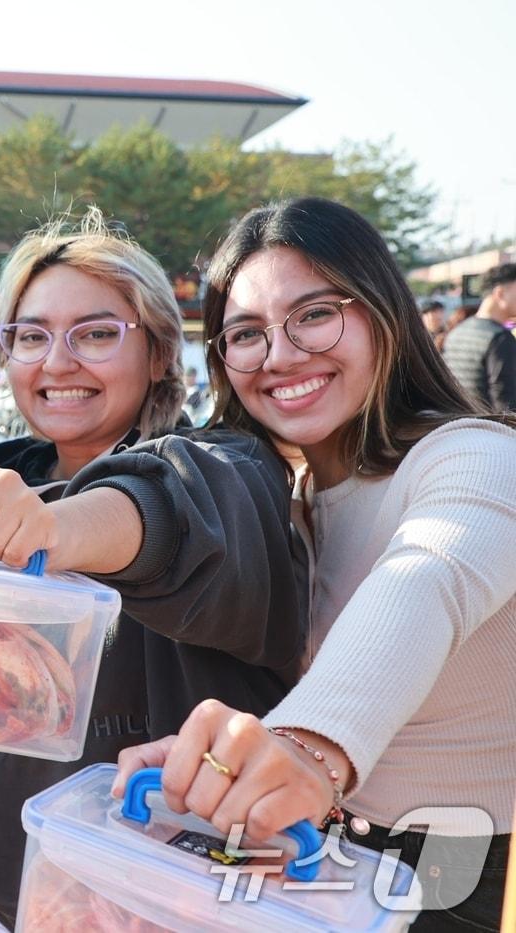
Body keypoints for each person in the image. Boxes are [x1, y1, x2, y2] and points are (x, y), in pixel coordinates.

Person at [0, 213, 306, 931]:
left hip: (168, 903)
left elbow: (169, 510)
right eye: (31, 335)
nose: (57, 362)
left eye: (97, 333)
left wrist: (59, 529)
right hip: (0, 897)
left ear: (163, 352)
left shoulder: (230, 466)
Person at [115, 197, 516, 932]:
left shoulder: (477, 456)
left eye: (315, 314)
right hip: (311, 850)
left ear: (383, 313)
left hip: (446, 873)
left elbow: (426, 578)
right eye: (245, 334)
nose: (280, 354)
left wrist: (305, 745)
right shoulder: (293, 492)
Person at [441, 263, 516, 410]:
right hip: (490, 427)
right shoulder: (499, 338)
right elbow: (505, 402)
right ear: (500, 293)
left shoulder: (457, 332)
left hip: (458, 422)